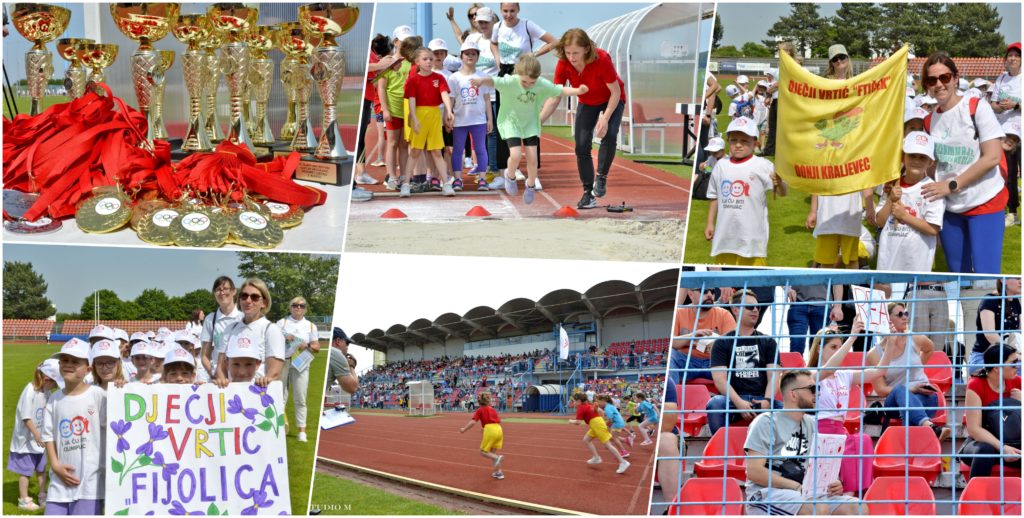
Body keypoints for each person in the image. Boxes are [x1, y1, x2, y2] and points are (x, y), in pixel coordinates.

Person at [920, 52, 1006, 274]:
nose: (939, 84)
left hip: (985, 201)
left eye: (945, 77)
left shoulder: (976, 107)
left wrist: (951, 185)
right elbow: (933, 166)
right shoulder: (929, 121)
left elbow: (993, 156)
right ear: (927, 85)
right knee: (959, 275)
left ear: (956, 78)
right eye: (932, 80)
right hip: (951, 208)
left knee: (987, 276)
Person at [473, 54, 587, 204]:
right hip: (511, 122)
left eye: (532, 82)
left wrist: (578, 91)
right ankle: (510, 176)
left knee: (532, 158)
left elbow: (559, 90)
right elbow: (493, 81)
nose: (528, 85)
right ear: (518, 75)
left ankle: (531, 185)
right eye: (524, 82)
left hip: (530, 123)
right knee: (515, 155)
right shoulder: (510, 81)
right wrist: (481, 80)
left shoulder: (541, 84)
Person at [743, 370, 858, 516]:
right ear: (793, 394)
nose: (818, 393)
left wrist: (834, 483)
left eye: (818, 388)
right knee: (817, 507)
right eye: (812, 389)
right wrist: (796, 486)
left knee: (856, 507)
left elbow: (816, 467)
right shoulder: (766, 422)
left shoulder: (811, 424)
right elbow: (754, 471)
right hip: (766, 494)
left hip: (802, 493)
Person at [807, 318, 893, 496]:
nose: (838, 351)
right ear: (819, 349)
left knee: (862, 441)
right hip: (819, 430)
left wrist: (891, 342)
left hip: (839, 430)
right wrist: (852, 337)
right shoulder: (810, 374)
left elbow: (880, 371)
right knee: (851, 444)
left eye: (840, 347)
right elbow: (828, 370)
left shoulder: (844, 375)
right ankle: (848, 496)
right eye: (833, 347)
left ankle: (850, 495)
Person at [550, 28, 626, 208]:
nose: (571, 57)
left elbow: (615, 92)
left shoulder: (602, 58)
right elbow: (556, 95)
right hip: (587, 101)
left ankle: (601, 176)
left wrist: (605, 119)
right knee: (581, 146)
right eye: (568, 53)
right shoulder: (563, 63)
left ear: (586, 49)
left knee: (610, 134)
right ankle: (588, 193)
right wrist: (539, 120)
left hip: (612, 98)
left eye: (575, 53)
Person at [705, 117, 787, 266]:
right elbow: (714, 196)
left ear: (755, 143)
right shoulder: (720, 166)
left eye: (744, 141)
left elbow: (782, 192)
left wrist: (779, 183)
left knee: (752, 277)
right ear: (728, 141)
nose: (738, 145)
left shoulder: (763, 165)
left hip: (752, 239)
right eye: (734, 140)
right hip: (725, 238)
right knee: (726, 274)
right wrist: (710, 223)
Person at [41, 339, 106, 515]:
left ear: (88, 369)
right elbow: (48, 436)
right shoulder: (54, 399)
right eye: (65, 360)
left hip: (89, 485)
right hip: (59, 483)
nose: (68, 365)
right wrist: (55, 465)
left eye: (75, 361)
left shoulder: (98, 395)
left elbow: (115, 427)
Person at [706, 290, 784, 435]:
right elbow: (720, 380)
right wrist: (739, 403)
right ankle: (721, 446)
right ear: (735, 310)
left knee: (789, 410)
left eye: (757, 307)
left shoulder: (769, 342)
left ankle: (778, 450)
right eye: (749, 306)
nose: (755, 310)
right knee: (715, 404)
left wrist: (767, 401)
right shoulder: (722, 342)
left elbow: (774, 376)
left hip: (761, 398)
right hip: (733, 399)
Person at [867, 302, 949, 440]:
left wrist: (917, 366)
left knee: (909, 410)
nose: (905, 317)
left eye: (906, 313)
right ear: (887, 320)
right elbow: (880, 389)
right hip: (895, 400)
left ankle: (912, 444)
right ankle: (929, 428)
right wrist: (911, 388)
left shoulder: (915, 339)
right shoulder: (874, 354)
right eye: (899, 314)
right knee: (900, 390)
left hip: (924, 396)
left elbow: (930, 348)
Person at [875, 132, 944, 272]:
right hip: (887, 263)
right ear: (903, 157)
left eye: (922, 157)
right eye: (912, 155)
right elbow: (880, 222)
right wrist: (890, 200)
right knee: (885, 286)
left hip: (916, 264)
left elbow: (933, 229)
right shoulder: (891, 185)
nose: (916, 161)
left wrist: (904, 216)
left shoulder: (932, 189)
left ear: (930, 162)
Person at [960, 344, 1021, 478]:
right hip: (983, 442)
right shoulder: (976, 384)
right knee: (985, 450)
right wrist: (1003, 448)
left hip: (1014, 442)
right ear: (996, 368)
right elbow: (974, 429)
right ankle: (976, 491)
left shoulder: (1017, 382)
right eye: (1013, 363)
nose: (1017, 366)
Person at [9, 359, 59, 511]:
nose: (56, 387)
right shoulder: (30, 390)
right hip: (26, 440)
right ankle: (24, 500)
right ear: (46, 378)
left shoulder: (47, 392)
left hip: (39, 440)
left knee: (41, 469)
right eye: (55, 383)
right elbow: (26, 417)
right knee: (26, 471)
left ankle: (42, 495)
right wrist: (36, 434)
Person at [216, 278, 285, 388]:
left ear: (264, 303)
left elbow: (274, 373)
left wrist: (262, 384)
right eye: (244, 296)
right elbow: (221, 366)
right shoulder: (230, 329)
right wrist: (223, 384)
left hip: (258, 392)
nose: (248, 301)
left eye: (254, 297)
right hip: (232, 392)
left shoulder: (271, 329)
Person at [448, 40, 493, 191]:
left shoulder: (483, 76)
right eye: (467, 53)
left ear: (478, 57)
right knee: (458, 150)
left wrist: (489, 119)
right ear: (461, 56)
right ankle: (457, 179)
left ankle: (482, 179)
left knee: (480, 149)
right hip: (460, 120)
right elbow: (451, 99)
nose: (470, 56)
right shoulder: (454, 78)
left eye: (473, 54)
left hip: (478, 120)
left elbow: (487, 99)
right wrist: (449, 114)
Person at [671, 286, 736, 383]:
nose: (709, 295)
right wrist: (693, 335)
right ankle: (670, 391)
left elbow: (732, 345)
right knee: (672, 355)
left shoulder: (724, 314)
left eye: (712, 291)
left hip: (714, 362)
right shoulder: (679, 313)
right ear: (691, 295)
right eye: (704, 291)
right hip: (686, 360)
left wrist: (716, 345)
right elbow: (672, 343)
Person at [278, 296, 321, 442]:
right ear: (290, 307)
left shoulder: (310, 326)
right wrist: (284, 338)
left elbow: (317, 347)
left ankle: (302, 431)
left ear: (305, 309)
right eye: (295, 305)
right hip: (283, 361)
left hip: (301, 362)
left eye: (302, 306)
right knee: (279, 396)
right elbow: (272, 339)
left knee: (300, 397)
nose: (298, 308)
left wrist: (306, 346)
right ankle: (279, 427)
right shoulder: (282, 323)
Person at [376, 33, 413, 193]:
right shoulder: (388, 62)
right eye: (403, 41)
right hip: (393, 109)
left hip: (407, 110)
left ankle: (404, 176)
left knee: (404, 144)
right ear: (396, 41)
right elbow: (381, 88)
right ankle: (391, 176)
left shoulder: (412, 63)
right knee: (392, 143)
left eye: (408, 41)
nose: (405, 44)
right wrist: (385, 109)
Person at [990, 42, 1021, 225]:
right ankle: (1012, 212)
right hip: (1005, 134)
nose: (1013, 58)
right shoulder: (1001, 78)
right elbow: (993, 104)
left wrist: (1016, 105)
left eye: (1017, 55)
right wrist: (1000, 107)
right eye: (1010, 55)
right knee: (1007, 174)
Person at [568, 392, 630, 474]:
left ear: (579, 401)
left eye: (574, 401)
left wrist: (571, 421)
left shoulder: (581, 408)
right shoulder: (588, 405)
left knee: (608, 445)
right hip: (595, 424)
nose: (573, 403)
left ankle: (623, 462)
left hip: (597, 425)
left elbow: (578, 422)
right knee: (586, 440)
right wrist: (601, 420)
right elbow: (601, 412)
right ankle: (596, 457)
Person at [971, 278, 1021, 374]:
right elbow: (990, 334)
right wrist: (1014, 354)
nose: (1021, 281)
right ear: (1003, 280)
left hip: (1009, 357)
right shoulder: (990, 300)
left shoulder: (1016, 302)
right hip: (983, 357)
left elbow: (1020, 331)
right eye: (1018, 278)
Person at [200, 276, 243, 383]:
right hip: (218, 379)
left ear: (234, 291)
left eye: (225, 289)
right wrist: (214, 373)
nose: (222, 292)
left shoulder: (243, 318)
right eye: (218, 290)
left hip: (240, 376)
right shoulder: (210, 319)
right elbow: (204, 355)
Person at [459, 392, 506, 480]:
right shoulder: (492, 409)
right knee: (492, 453)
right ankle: (498, 472)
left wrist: (464, 429)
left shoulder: (480, 410)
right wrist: (484, 428)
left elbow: (473, 422)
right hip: (499, 429)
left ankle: (497, 458)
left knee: (483, 452)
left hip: (490, 430)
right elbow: (496, 420)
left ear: (479, 402)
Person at [329, 327, 359, 396]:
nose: (347, 347)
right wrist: (351, 366)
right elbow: (352, 388)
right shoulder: (337, 353)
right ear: (338, 341)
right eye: (347, 343)